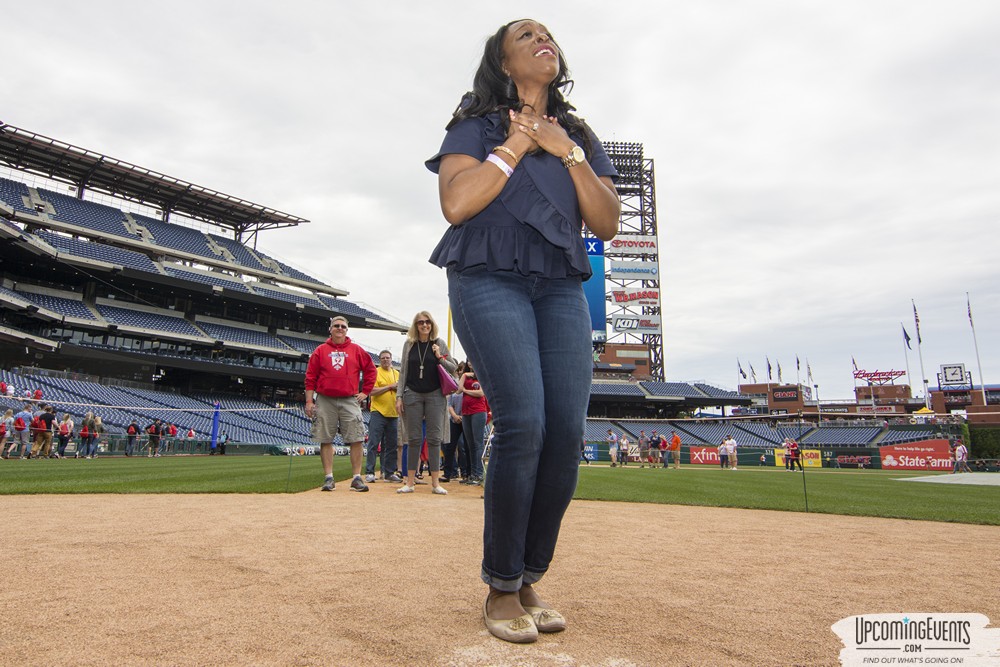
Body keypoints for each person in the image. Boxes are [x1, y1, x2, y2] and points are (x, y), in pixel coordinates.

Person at [427, 18, 620, 643]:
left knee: (565, 432)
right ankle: (502, 585)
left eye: (548, 34)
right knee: (524, 423)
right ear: (504, 64)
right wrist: (512, 146)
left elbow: (608, 221)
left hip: (561, 284)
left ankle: (531, 573)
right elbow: (458, 205)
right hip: (487, 274)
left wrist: (564, 149)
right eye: (525, 36)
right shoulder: (476, 125)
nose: (545, 39)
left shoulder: (580, 135)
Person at [304, 316, 377, 492]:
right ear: (330, 329)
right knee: (325, 438)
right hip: (325, 398)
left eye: (343, 326)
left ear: (347, 329)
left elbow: (370, 370)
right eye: (336, 326)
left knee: (357, 438)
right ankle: (329, 477)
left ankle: (356, 478)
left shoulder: (356, 350)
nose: (339, 328)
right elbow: (310, 377)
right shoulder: (320, 350)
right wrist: (308, 401)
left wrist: (365, 392)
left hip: (349, 399)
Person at [394, 311, 457, 495]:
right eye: (420, 322)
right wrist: (399, 396)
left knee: (434, 439)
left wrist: (440, 356)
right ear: (416, 325)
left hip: (435, 394)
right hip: (412, 393)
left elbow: (453, 368)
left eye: (427, 322)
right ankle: (410, 482)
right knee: (413, 439)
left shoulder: (439, 343)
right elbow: (403, 372)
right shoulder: (409, 345)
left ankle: (436, 483)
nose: (424, 325)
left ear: (432, 324)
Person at [364, 350, 402, 483]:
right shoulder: (375, 372)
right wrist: (390, 387)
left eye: (388, 358)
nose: (386, 360)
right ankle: (369, 471)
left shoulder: (397, 373)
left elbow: (402, 391)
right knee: (374, 443)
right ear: (380, 360)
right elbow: (371, 391)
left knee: (391, 445)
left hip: (393, 413)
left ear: (391, 359)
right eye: (383, 358)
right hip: (378, 412)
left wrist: (396, 389)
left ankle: (389, 472)